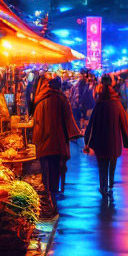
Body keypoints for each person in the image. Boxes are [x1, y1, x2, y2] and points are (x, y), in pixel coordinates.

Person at [32, 73, 82, 212]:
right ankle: (53, 201)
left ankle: (50, 200)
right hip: (58, 143)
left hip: (44, 143)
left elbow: (37, 124)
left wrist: (36, 142)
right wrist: (74, 135)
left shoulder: (40, 100)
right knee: (55, 172)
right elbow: (69, 120)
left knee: (46, 173)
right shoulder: (62, 99)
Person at [83, 74, 128, 198]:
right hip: (114, 141)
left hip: (100, 141)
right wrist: (126, 140)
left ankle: (103, 187)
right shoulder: (117, 103)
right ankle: (110, 186)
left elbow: (91, 124)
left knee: (102, 166)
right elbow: (124, 123)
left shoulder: (99, 104)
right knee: (112, 164)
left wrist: (86, 141)